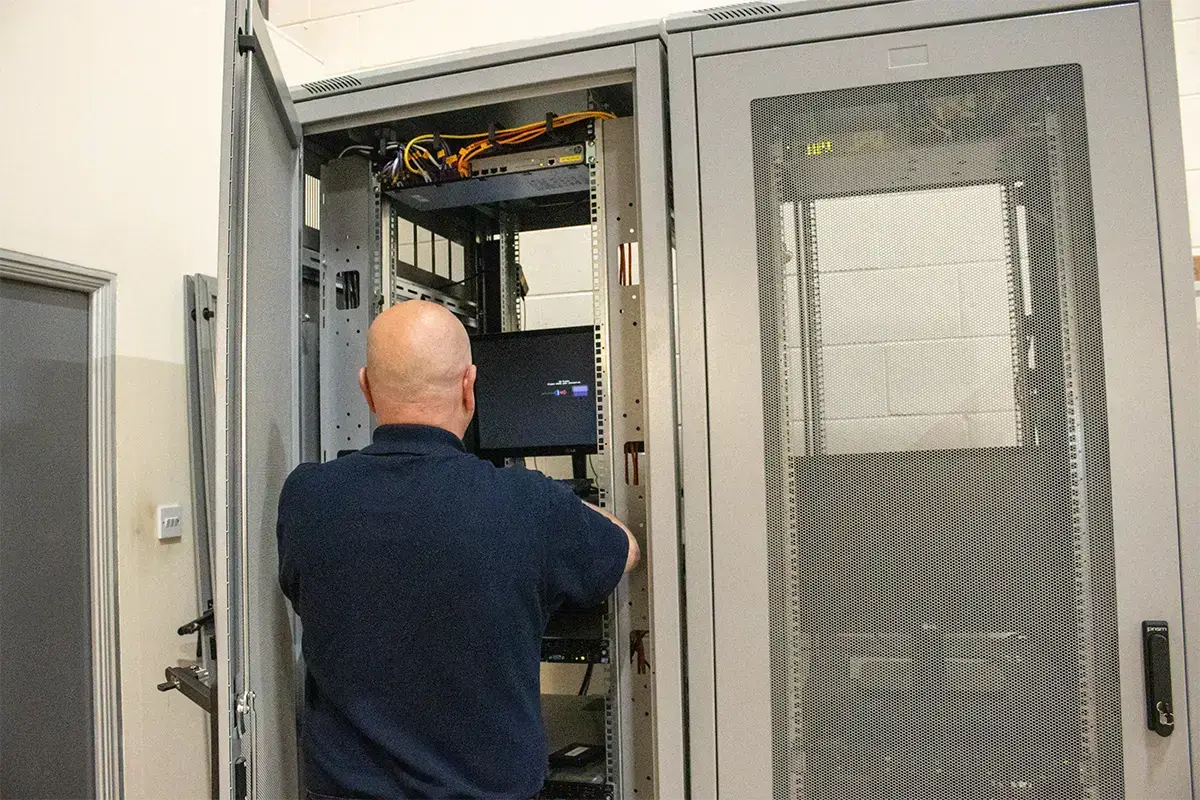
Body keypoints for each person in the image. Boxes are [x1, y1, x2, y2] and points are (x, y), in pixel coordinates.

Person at [276, 300, 640, 800]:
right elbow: (624, 551)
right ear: (469, 386)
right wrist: (565, 505)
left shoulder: (306, 497)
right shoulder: (529, 503)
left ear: (366, 388)